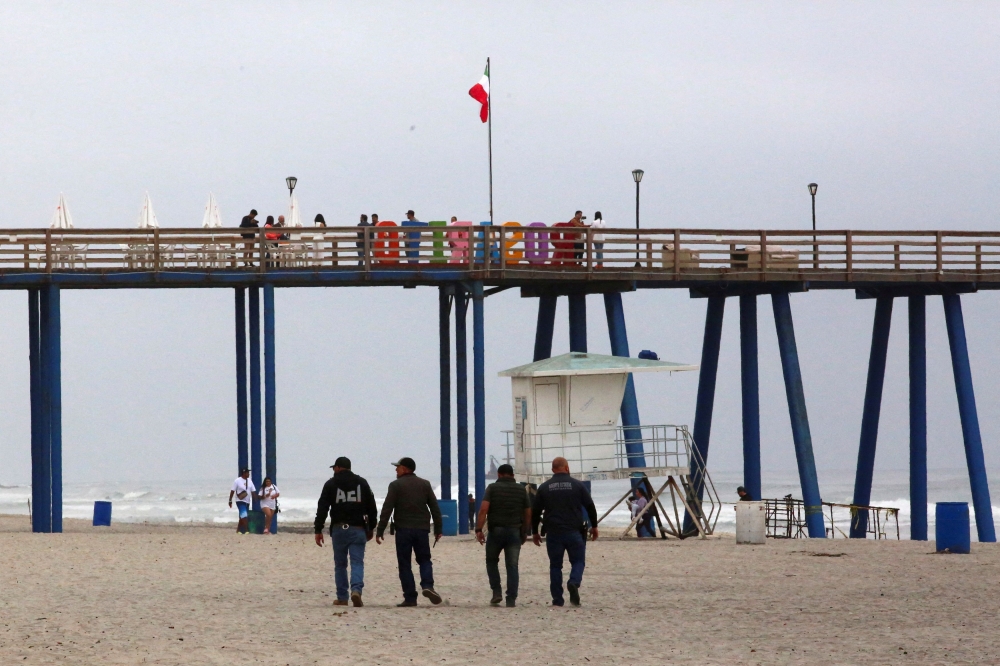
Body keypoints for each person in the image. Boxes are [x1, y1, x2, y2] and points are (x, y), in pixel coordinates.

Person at [375, 457, 444, 607]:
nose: (396, 469)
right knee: (424, 559)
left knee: (404, 563)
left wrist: (380, 529)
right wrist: (438, 528)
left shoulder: (395, 485)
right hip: (421, 530)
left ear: (406, 469)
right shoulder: (424, 484)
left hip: (403, 530)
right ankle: (428, 586)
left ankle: (410, 598)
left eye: (398, 467)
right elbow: (434, 508)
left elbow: (387, 508)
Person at [532, 457, 598, 607]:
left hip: (554, 532)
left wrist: (534, 531)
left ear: (552, 470)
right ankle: (574, 582)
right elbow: (590, 506)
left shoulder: (544, 487)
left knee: (555, 566)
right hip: (574, 531)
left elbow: (535, 511)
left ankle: (557, 599)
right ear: (567, 468)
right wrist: (594, 526)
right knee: (578, 561)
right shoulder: (578, 485)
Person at [314, 457, 378, 607]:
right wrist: (371, 527)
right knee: (357, 562)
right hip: (358, 528)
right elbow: (372, 507)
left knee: (340, 564)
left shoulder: (331, 484)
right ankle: (356, 590)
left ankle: (342, 597)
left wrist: (318, 529)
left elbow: (322, 507)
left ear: (337, 467)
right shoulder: (362, 483)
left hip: (339, 529)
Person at [475, 464, 530, 607]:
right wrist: (525, 531)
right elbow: (528, 511)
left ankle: (496, 592)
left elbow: (483, 509)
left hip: (496, 531)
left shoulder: (492, 488)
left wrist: (478, 529)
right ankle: (511, 598)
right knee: (512, 565)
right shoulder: (521, 489)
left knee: (491, 561)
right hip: (514, 531)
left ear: (498, 475)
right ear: (512, 475)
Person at [228, 468, 256, 534]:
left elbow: (253, 490)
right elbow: (232, 490)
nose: (248, 474)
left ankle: (238, 530)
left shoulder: (249, 481)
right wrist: (230, 500)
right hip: (240, 501)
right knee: (244, 515)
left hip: (247, 501)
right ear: (244, 473)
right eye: (247, 473)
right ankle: (246, 530)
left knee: (242, 516)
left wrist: (255, 498)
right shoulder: (237, 481)